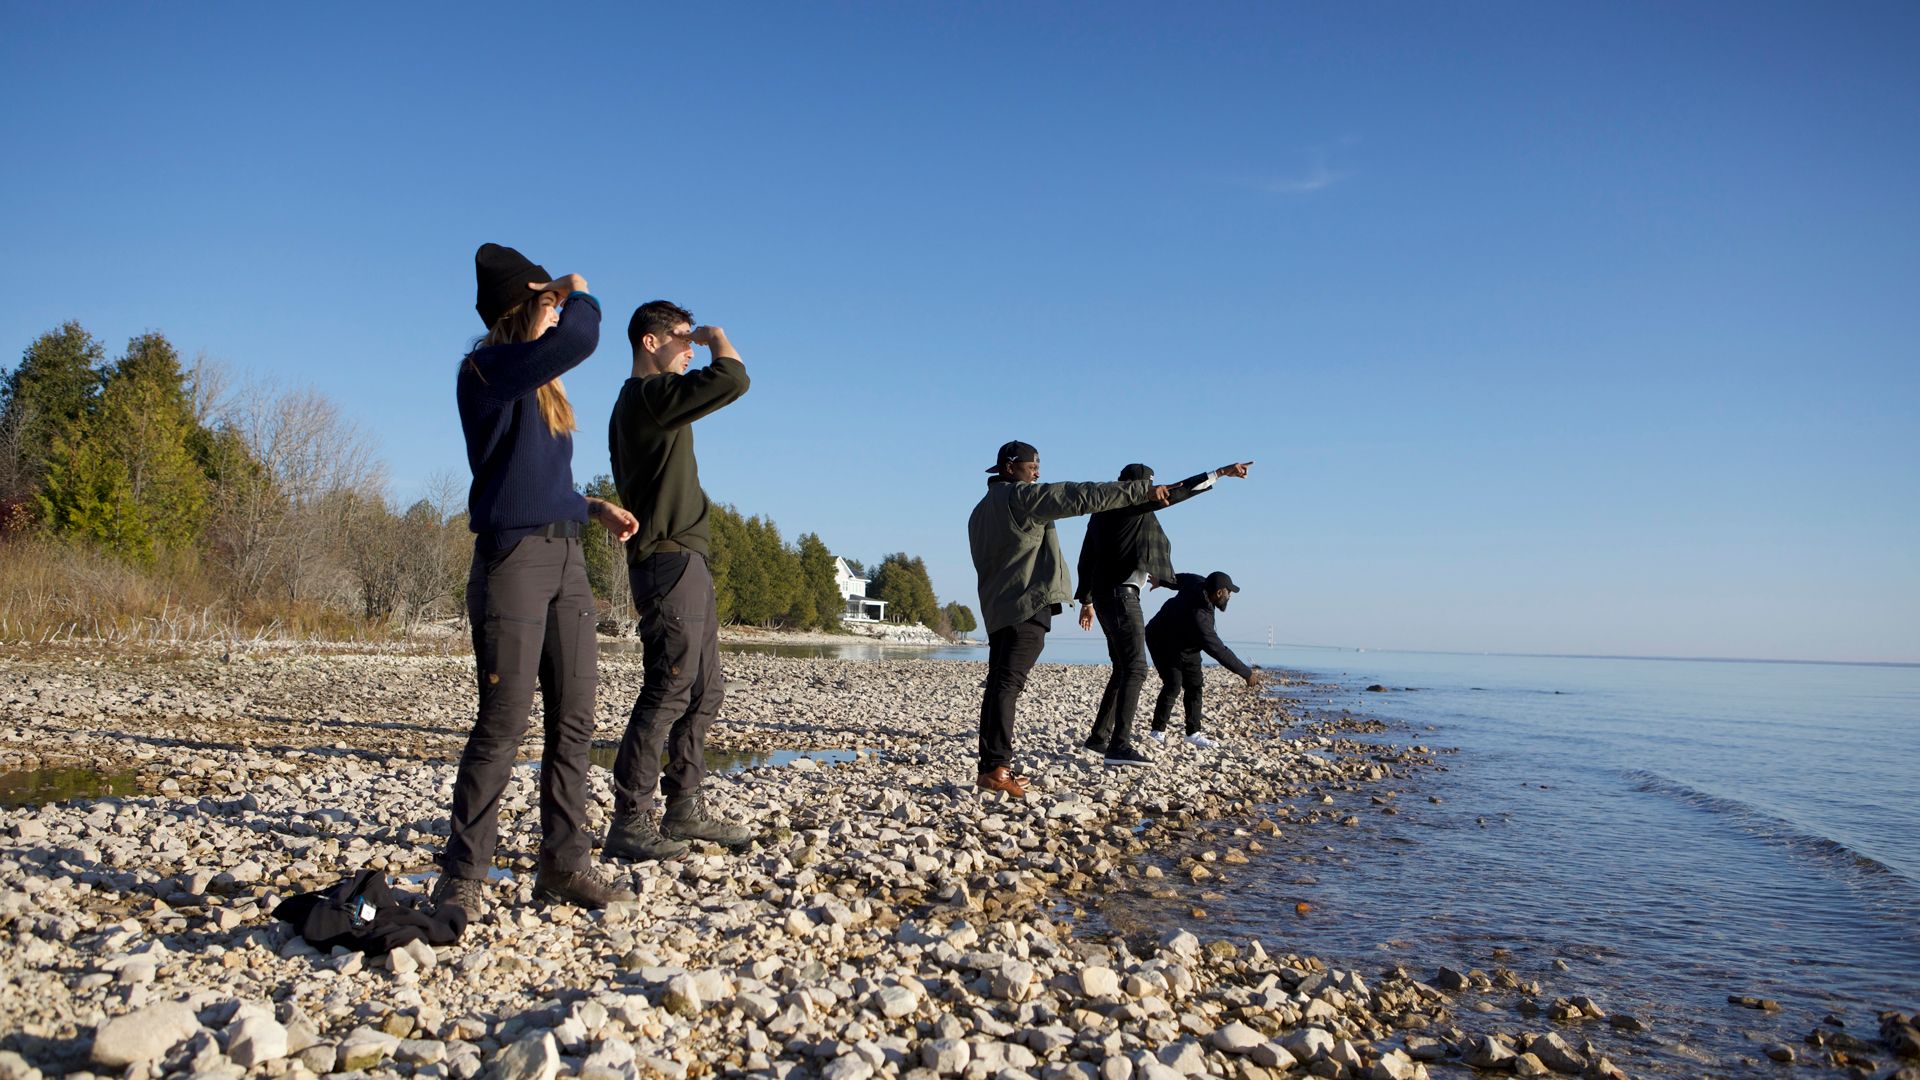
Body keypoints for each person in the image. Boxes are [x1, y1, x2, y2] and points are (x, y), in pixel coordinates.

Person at [434, 243, 640, 920]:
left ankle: (564, 863)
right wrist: (578, 290)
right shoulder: (487, 368)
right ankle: (462, 876)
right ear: (524, 307)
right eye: (546, 304)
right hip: (512, 563)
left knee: (574, 719)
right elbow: (582, 334)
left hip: (565, 560)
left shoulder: (537, 388)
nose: (559, 313)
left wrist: (590, 507)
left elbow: (528, 480)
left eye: (557, 303)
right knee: (503, 722)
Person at [602, 300, 754, 862]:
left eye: (694, 337)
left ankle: (684, 808)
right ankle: (630, 818)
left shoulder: (652, 401)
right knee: (669, 686)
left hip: (685, 559)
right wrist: (718, 334)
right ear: (650, 342)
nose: (690, 346)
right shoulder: (647, 397)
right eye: (682, 337)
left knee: (704, 689)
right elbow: (733, 378)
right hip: (667, 561)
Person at [968, 440, 1171, 796]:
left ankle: (990, 767)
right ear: (1010, 467)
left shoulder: (980, 511)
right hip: (1026, 606)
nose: (1037, 472)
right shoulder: (1022, 497)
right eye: (1032, 466)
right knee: (1007, 685)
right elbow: (1077, 496)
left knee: (999, 683)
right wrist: (1141, 491)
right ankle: (998, 770)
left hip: (997, 609)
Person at [1075, 461, 1253, 766]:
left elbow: (1086, 558)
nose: (1156, 491)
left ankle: (1098, 740)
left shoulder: (1101, 513)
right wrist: (1220, 473)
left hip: (1106, 598)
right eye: (1151, 484)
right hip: (1122, 596)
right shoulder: (1130, 502)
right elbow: (1180, 491)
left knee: (1123, 667)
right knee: (1136, 668)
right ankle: (1119, 746)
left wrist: (1087, 601)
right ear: (1137, 485)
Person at [1144, 570, 1263, 747]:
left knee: (1195, 684)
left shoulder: (1199, 582)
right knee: (1173, 683)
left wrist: (1161, 581)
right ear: (1219, 592)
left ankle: (1193, 734)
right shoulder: (1201, 619)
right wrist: (1246, 673)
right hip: (1161, 638)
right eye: (1229, 593)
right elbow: (1219, 651)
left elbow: (1179, 579)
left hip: (1188, 643)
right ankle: (1157, 732)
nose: (1229, 597)